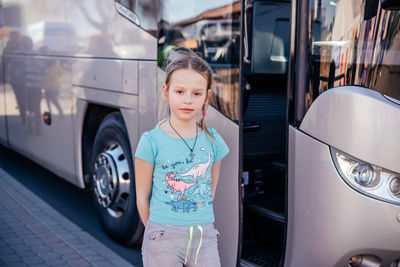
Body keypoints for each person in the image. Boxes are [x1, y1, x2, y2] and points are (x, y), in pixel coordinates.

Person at [135, 47, 229, 267]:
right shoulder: (150, 141)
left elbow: (209, 190)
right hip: (163, 237)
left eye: (196, 93)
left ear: (206, 98)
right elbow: (142, 197)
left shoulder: (214, 141)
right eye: (180, 92)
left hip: (204, 238)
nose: (188, 100)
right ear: (166, 92)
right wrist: (156, 232)